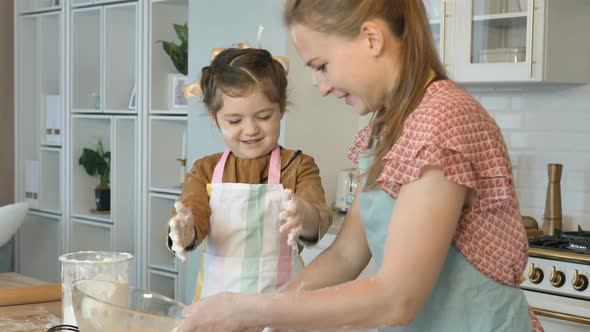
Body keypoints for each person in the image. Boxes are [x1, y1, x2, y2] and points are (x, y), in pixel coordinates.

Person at [177, 1, 543, 331]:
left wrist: (252, 311)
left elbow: (397, 299)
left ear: (371, 38)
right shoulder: (388, 126)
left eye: (322, 66)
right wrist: (266, 312)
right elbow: (346, 255)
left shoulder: (442, 122)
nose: (321, 86)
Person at [167, 47, 333, 306]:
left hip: (282, 311)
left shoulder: (298, 166)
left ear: (282, 109)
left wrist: (304, 215)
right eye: (234, 120)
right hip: (219, 310)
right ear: (215, 118)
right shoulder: (204, 170)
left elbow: (318, 218)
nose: (250, 129)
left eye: (264, 116)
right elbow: (194, 213)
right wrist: (184, 229)